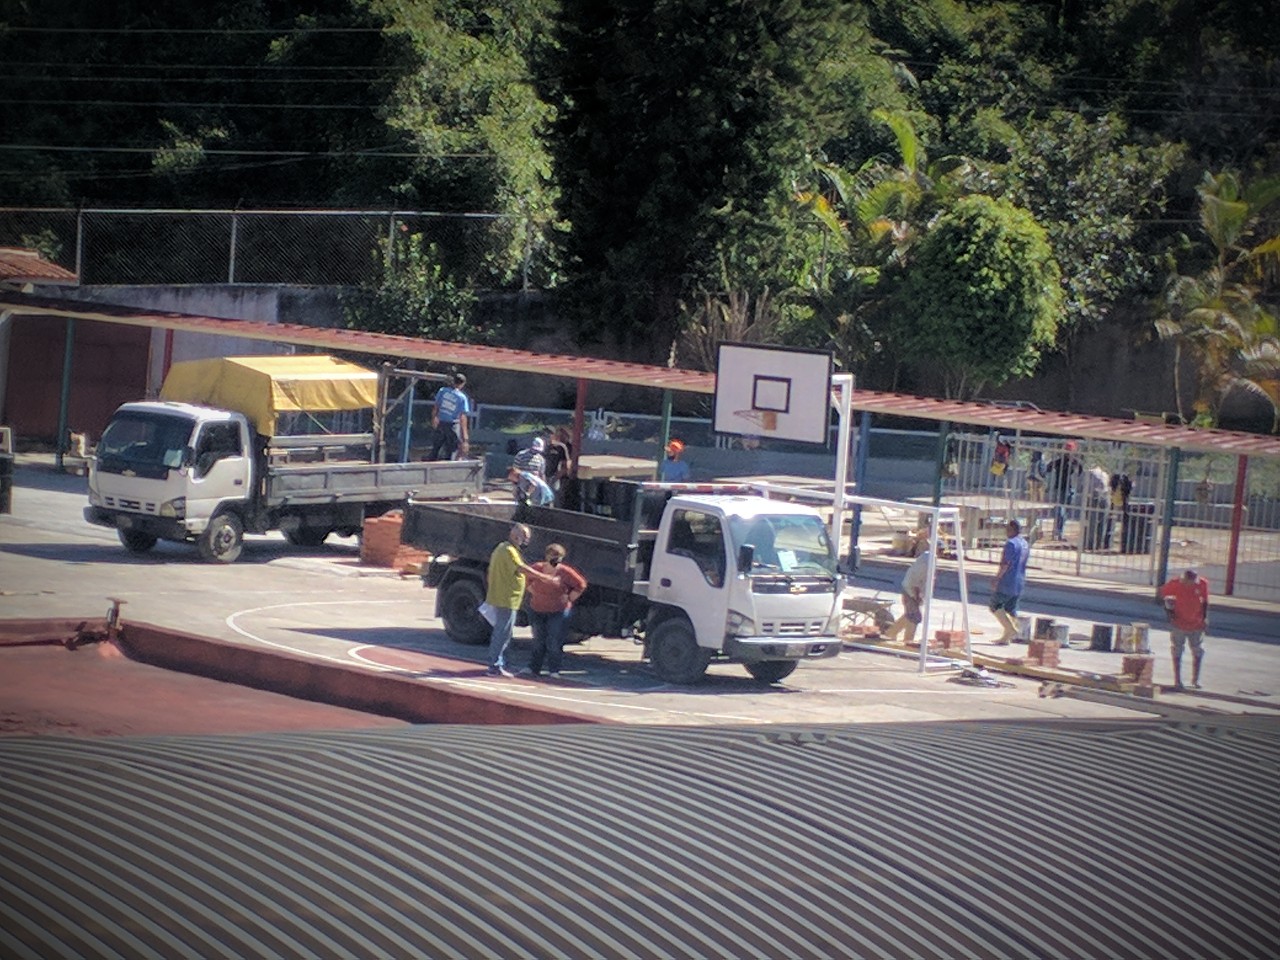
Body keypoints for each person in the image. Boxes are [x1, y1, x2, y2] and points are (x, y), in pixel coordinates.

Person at [484, 523, 554, 677]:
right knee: (503, 633)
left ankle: (498, 663)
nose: (526, 540)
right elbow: (521, 568)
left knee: (503, 632)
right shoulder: (509, 551)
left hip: (503, 596)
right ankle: (494, 665)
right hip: (506, 598)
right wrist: (544, 577)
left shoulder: (501, 548)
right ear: (517, 535)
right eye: (525, 537)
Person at [524, 542, 588, 679]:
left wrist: (570, 597)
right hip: (537, 610)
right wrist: (531, 590)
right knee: (538, 640)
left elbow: (581, 584)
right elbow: (525, 578)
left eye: (558, 556)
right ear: (546, 556)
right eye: (552, 555)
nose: (555, 558)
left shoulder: (565, 572)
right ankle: (534, 668)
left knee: (554, 641)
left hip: (558, 611)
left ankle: (554, 670)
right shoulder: (537, 568)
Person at [1157, 567, 1210, 690]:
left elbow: (1205, 602)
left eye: (1193, 582)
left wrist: (1205, 618)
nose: (1191, 584)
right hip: (1179, 624)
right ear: (1184, 579)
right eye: (1188, 581)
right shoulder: (1176, 584)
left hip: (1196, 624)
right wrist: (1169, 612)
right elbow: (1163, 594)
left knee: (1198, 650)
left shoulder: (1202, 584)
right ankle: (1178, 680)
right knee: (1177, 650)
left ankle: (1196, 679)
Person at [884, 538, 933, 645]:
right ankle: (907, 640)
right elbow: (916, 581)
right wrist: (916, 596)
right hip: (910, 590)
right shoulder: (926, 561)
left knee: (910, 615)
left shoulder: (928, 558)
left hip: (910, 589)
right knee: (914, 617)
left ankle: (890, 633)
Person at [989, 519, 1030, 645]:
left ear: (1012, 529)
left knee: (995, 605)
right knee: (1010, 609)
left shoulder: (1011, 544)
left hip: (1008, 580)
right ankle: (1007, 637)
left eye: (1007, 529)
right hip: (1019, 580)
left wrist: (997, 579)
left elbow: (1005, 564)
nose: (1006, 531)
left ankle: (1010, 629)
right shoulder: (1024, 543)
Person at [1045, 441, 1083, 540]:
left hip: (1070, 489)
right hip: (1060, 488)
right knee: (1060, 511)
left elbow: (1080, 471)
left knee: (1065, 512)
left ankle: (1058, 531)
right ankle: (1058, 532)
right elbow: (1048, 468)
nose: (1068, 453)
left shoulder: (1075, 462)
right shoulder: (1059, 461)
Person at [428, 372, 471, 461]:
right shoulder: (461, 397)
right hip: (452, 425)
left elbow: (436, 406)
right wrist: (465, 436)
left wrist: (434, 418)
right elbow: (463, 417)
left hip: (441, 423)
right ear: (462, 384)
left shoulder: (442, 391)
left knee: (436, 447)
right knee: (452, 450)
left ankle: (430, 463)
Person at [543, 427, 573, 498]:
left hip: (558, 478)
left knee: (557, 497)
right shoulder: (548, 447)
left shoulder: (565, 447)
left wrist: (555, 478)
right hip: (546, 475)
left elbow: (566, 465)